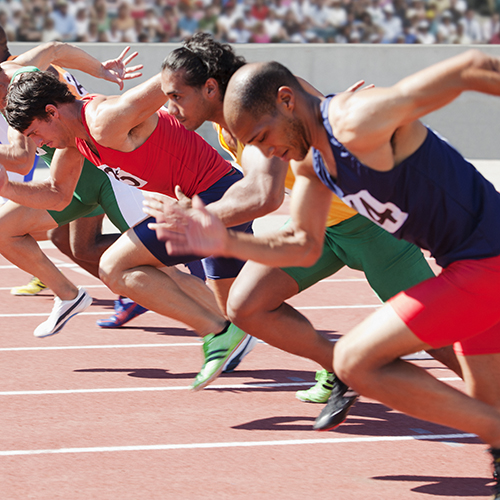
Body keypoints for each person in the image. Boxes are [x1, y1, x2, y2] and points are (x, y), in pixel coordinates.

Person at [142, 51, 500, 497]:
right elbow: (301, 244)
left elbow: (470, 67)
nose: (268, 153)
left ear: (287, 100)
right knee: (489, 398)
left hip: (487, 260)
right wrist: (222, 240)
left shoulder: (354, 119)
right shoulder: (310, 165)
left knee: (356, 360)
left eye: (264, 136)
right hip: (467, 264)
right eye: (253, 146)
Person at [159, 33, 460, 409]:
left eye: (175, 97)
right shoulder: (230, 122)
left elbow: (262, 193)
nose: (169, 109)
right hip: (319, 227)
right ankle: (339, 367)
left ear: (209, 88)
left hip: (372, 227)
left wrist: (200, 218)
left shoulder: (260, 104)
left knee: (445, 341)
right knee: (246, 305)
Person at [3, 67, 255, 391]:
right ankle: (229, 333)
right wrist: (7, 188)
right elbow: (57, 194)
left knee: (114, 266)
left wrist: (228, 111)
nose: (37, 144)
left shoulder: (103, 119)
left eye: (35, 133)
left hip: (216, 199)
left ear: (51, 111)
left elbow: (173, 77)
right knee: (253, 311)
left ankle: (220, 333)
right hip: (190, 204)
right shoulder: (77, 140)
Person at [0, 41, 151, 335]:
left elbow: (21, 160)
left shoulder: (17, 97)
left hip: (100, 171)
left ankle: (219, 307)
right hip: (71, 179)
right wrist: (101, 69)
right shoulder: (13, 68)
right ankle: (71, 295)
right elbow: (55, 49)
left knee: (159, 259)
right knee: (71, 243)